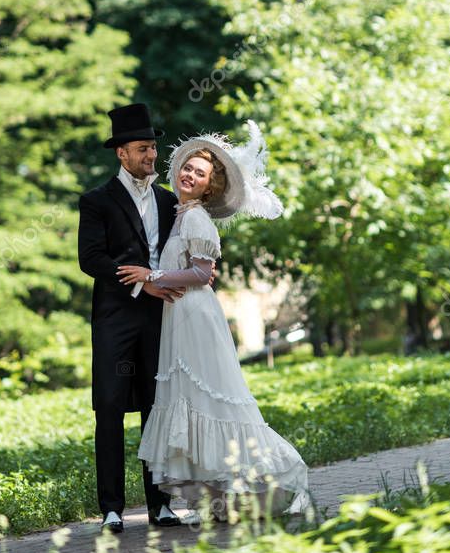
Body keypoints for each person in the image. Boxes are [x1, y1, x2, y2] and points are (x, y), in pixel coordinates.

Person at [117, 120, 312, 524]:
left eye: (199, 173)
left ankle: (264, 474)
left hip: (196, 316)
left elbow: (202, 274)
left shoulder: (196, 220)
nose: (189, 175)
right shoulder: (183, 215)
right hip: (180, 316)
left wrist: (149, 276)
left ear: (210, 187)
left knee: (211, 397)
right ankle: (222, 500)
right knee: (192, 398)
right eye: (187, 168)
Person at [78, 103, 193, 534]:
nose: (152, 156)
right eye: (143, 149)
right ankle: (110, 508)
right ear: (122, 153)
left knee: (155, 406)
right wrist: (140, 282)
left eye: (153, 148)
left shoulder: (169, 201)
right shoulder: (95, 201)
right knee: (108, 408)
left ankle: (159, 505)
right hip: (114, 318)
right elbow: (90, 259)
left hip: (161, 317)